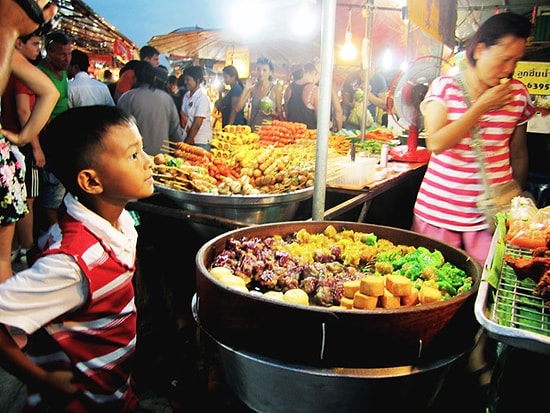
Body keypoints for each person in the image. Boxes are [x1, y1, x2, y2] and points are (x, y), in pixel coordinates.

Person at [0, 105, 154, 412]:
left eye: (143, 149)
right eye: (134, 155)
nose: (150, 162)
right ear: (92, 182)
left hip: (113, 386)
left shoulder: (118, 223)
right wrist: (40, 378)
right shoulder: (72, 263)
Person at [411, 11, 534, 266]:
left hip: (489, 219)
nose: (509, 68)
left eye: (516, 61)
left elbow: (519, 153)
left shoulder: (518, 95)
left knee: (485, 291)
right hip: (438, 216)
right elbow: (436, 142)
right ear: (479, 50)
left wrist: (514, 199)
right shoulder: (444, 87)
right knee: (435, 291)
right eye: (504, 59)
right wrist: (481, 107)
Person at [0, 38, 59, 283]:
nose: (38, 49)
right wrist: (25, 138)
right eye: (35, 42)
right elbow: (50, 93)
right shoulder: (7, 53)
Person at [1, 30, 46, 269]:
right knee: (27, 199)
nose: (39, 48)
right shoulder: (21, 72)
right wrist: (32, 143)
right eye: (35, 43)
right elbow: (23, 111)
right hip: (19, 148)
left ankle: (17, 247)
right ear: (19, 43)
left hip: (8, 145)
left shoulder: (7, 66)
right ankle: (26, 247)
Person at [37, 30, 71, 233]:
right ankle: (50, 232)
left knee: (61, 189)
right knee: (52, 191)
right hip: (49, 140)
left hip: (63, 138)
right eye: (61, 54)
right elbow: (39, 113)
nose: (67, 59)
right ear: (48, 52)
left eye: (69, 54)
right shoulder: (40, 74)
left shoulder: (64, 73)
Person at [117, 61, 183, 155]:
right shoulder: (166, 98)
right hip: (163, 159)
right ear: (154, 79)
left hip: (135, 157)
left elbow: (120, 131)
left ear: (135, 78)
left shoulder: (126, 98)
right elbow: (175, 132)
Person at [237, 56, 283, 131]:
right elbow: (237, 108)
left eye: (264, 70)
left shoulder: (276, 88)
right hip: (253, 129)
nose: (261, 73)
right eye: (258, 69)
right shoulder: (252, 88)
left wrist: (272, 113)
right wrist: (246, 88)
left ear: (270, 72)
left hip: (268, 132)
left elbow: (279, 112)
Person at [182, 65, 212, 150]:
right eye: (185, 80)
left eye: (188, 80)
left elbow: (197, 124)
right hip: (188, 138)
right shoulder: (186, 96)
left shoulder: (202, 98)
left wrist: (186, 144)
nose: (186, 82)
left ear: (198, 80)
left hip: (200, 141)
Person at [284, 61, 320, 129]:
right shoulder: (315, 90)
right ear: (314, 73)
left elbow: (286, 113)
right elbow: (320, 119)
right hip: (309, 136)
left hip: (290, 134)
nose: (317, 81)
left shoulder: (289, 88)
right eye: (318, 77)